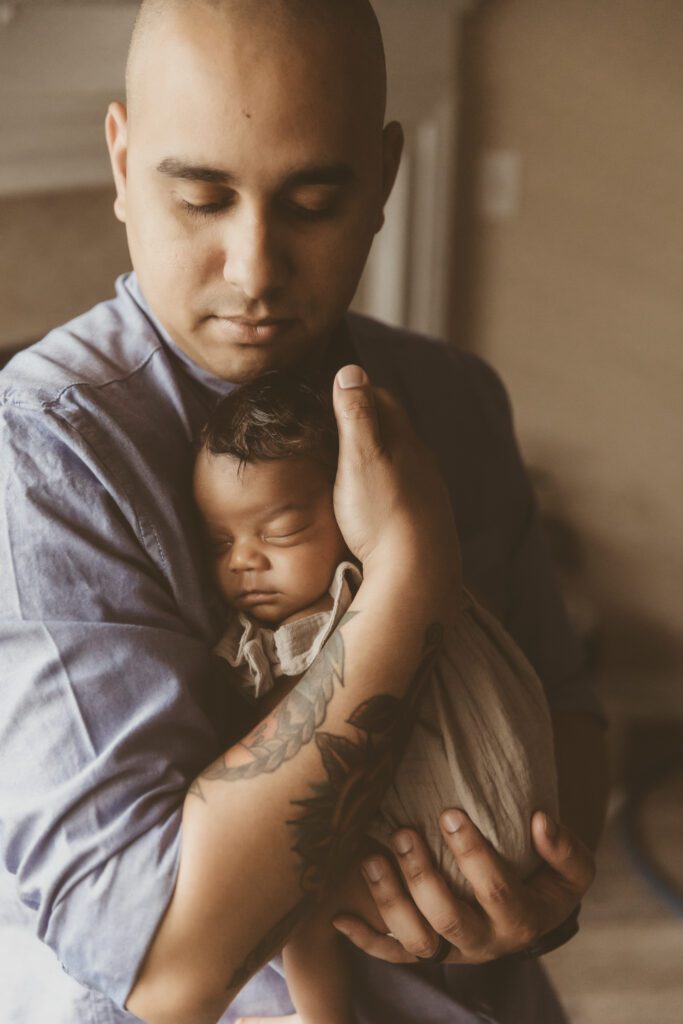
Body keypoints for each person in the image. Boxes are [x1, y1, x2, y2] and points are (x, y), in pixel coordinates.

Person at [0, 2, 608, 1023]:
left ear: (381, 180)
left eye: (314, 202)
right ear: (118, 159)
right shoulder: (45, 448)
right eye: (200, 198)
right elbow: (168, 967)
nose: (254, 271)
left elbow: (568, 715)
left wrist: (537, 895)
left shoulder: (454, 397)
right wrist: (407, 582)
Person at [193, 371, 559, 1024]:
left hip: (453, 861)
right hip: (508, 857)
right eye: (220, 542)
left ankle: (319, 1017)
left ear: (347, 506)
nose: (244, 560)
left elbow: (286, 739)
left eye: (278, 532)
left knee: (290, 892)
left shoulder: (343, 606)